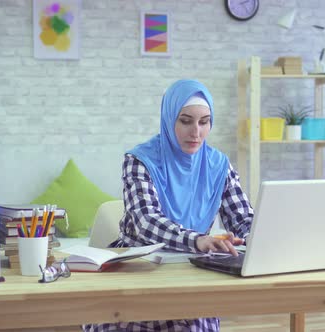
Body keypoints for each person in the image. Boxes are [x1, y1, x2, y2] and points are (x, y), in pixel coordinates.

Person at [83, 79, 253, 332]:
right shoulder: (140, 160)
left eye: (204, 122)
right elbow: (146, 222)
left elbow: (242, 220)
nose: (196, 132)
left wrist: (262, 239)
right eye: (185, 121)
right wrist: (197, 240)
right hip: (138, 264)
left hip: (192, 266)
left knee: (195, 321)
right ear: (169, 118)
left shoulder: (219, 165)